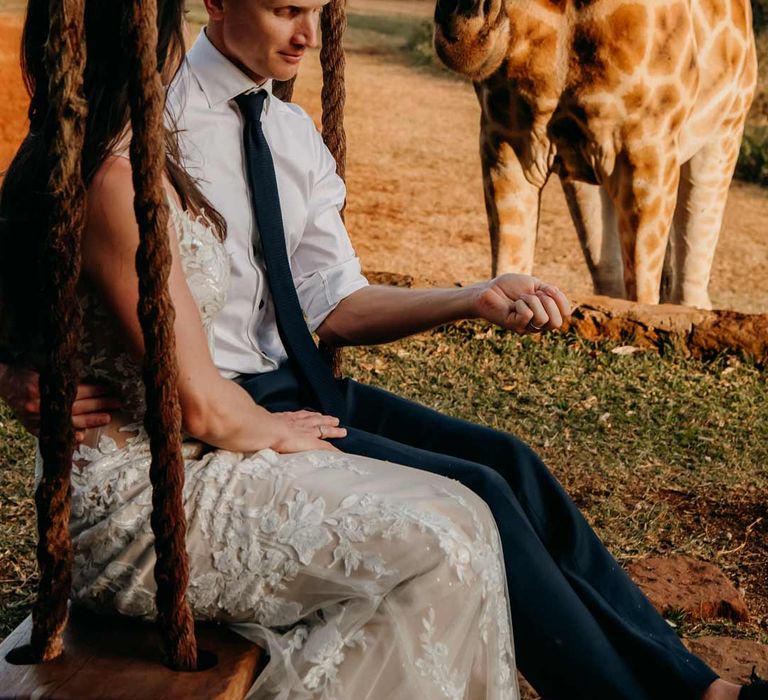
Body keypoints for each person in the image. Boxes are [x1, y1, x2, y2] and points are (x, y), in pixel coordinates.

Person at [0, 1, 764, 700]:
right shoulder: (144, 115)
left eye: (318, 12)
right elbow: (46, 232)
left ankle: (690, 684)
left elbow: (334, 303)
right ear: (217, 3)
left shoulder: (292, 135)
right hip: (209, 410)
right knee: (480, 498)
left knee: (511, 463)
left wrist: (471, 296)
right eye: (286, 11)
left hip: (287, 383)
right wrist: (16, 366)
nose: (307, 34)